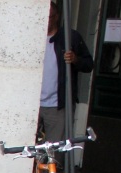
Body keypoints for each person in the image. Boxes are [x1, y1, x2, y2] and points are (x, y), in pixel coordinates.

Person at [40, 0, 93, 144]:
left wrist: (75, 59)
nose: (45, 20)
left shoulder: (70, 38)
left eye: (48, 16)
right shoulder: (31, 37)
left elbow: (88, 64)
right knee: (27, 149)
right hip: (32, 103)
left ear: (56, 17)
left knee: (55, 149)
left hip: (58, 104)